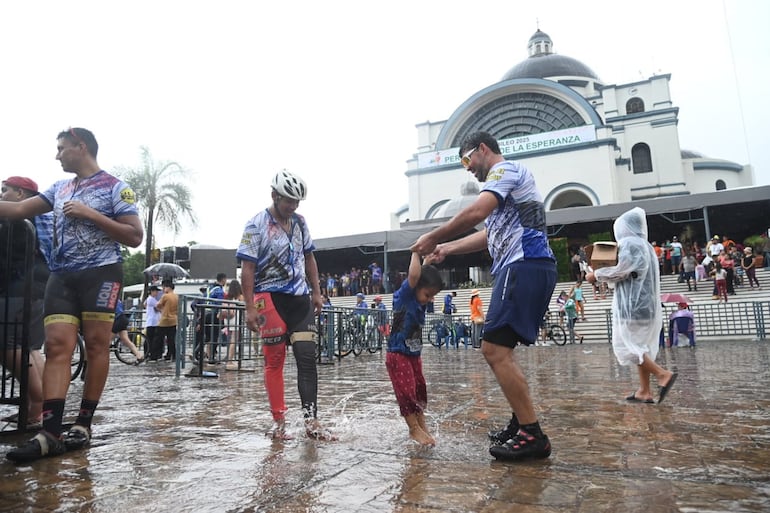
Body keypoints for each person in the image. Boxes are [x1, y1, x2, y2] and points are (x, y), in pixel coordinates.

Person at [412, 131, 557, 462]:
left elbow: (477, 213)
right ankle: (522, 423)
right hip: (524, 265)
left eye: (465, 160)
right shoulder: (505, 187)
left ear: (482, 149)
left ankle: (532, 435)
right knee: (501, 349)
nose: (466, 169)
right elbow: (489, 233)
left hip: (524, 263)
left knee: (493, 348)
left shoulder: (504, 171)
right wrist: (445, 248)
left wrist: (432, 235)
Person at [3, 127, 143, 462]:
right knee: (55, 347)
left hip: (101, 274)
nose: (57, 155)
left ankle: (83, 423)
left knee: (96, 345)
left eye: (61, 148)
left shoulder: (116, 188)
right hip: (62, 275)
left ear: (81, 147)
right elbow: (20, 211)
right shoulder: (59, 188)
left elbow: (135, 236)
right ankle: (49, 432)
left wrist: (90, 214)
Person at [237, 170, 332, 441]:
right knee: (275, 359)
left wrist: (316, 292)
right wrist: (250, 307)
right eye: (288, 201)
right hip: (268, 297)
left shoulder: (300, 222)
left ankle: (311, 420)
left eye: (297, 202)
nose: (292, 206)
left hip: (299, 297)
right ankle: (279, 422)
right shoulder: (255, 224)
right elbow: (247, 268)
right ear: (274, 196)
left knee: (306, 356)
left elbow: (309, 257)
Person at [586, 207, 677, 405]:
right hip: (647, 306)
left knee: (627, 346)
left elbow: (622, 270)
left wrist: (596, 275)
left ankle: (662, 375)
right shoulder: (646, 246)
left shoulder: (629, 244)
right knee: (640, 348)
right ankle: (644, 391)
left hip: (632, 307)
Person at [0, 176, 52, 430]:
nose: (2, 195)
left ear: (21, 195)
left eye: (5, 190)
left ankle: (35, 407)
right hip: (38, 286)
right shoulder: (38, 219)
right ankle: (37, 408)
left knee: (8, 346)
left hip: (20, 287)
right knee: (31, 348)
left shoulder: (19, 221)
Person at [386, 252, 443, 446]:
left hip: (413, 355)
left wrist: (428, 261)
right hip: (398, 354)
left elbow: (421, 275)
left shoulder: (419, 300)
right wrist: (416, 252)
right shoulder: (406, 297)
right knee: (406, 392)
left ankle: (421, 424)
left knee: (419, 390)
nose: (429, 299)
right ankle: (413, 429)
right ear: (417, 287)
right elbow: (413, 276)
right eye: (428, 294)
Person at [221, 279, 244, 371]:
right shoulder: (240, 297)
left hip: (228, 319)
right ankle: (230, 360)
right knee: (234, 340)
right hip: (236, 320)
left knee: (230, 340)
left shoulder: (227, 297)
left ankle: (229, 358)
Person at [154, 281, 179, 360]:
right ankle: (172, 355)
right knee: (171, 339)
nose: (163, 289)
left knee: (158, 338)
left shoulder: (165, 296)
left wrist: (160, 308)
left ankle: (155, 355)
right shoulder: (176, 296)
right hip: (174, 319)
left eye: (164, 287)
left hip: (165, 320)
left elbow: (158, 305)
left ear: (168, 287)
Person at [143, 285, 161, 359]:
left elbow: (144, 304)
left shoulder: (149, 299)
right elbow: (159, 307)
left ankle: (147, 353)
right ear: (151, 292)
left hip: (151, 321)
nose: (156, 293)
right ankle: (151, 354)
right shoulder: (152, 299)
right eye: (155, 291)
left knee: (149, 339)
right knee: (152, 339)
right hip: (153, 322)